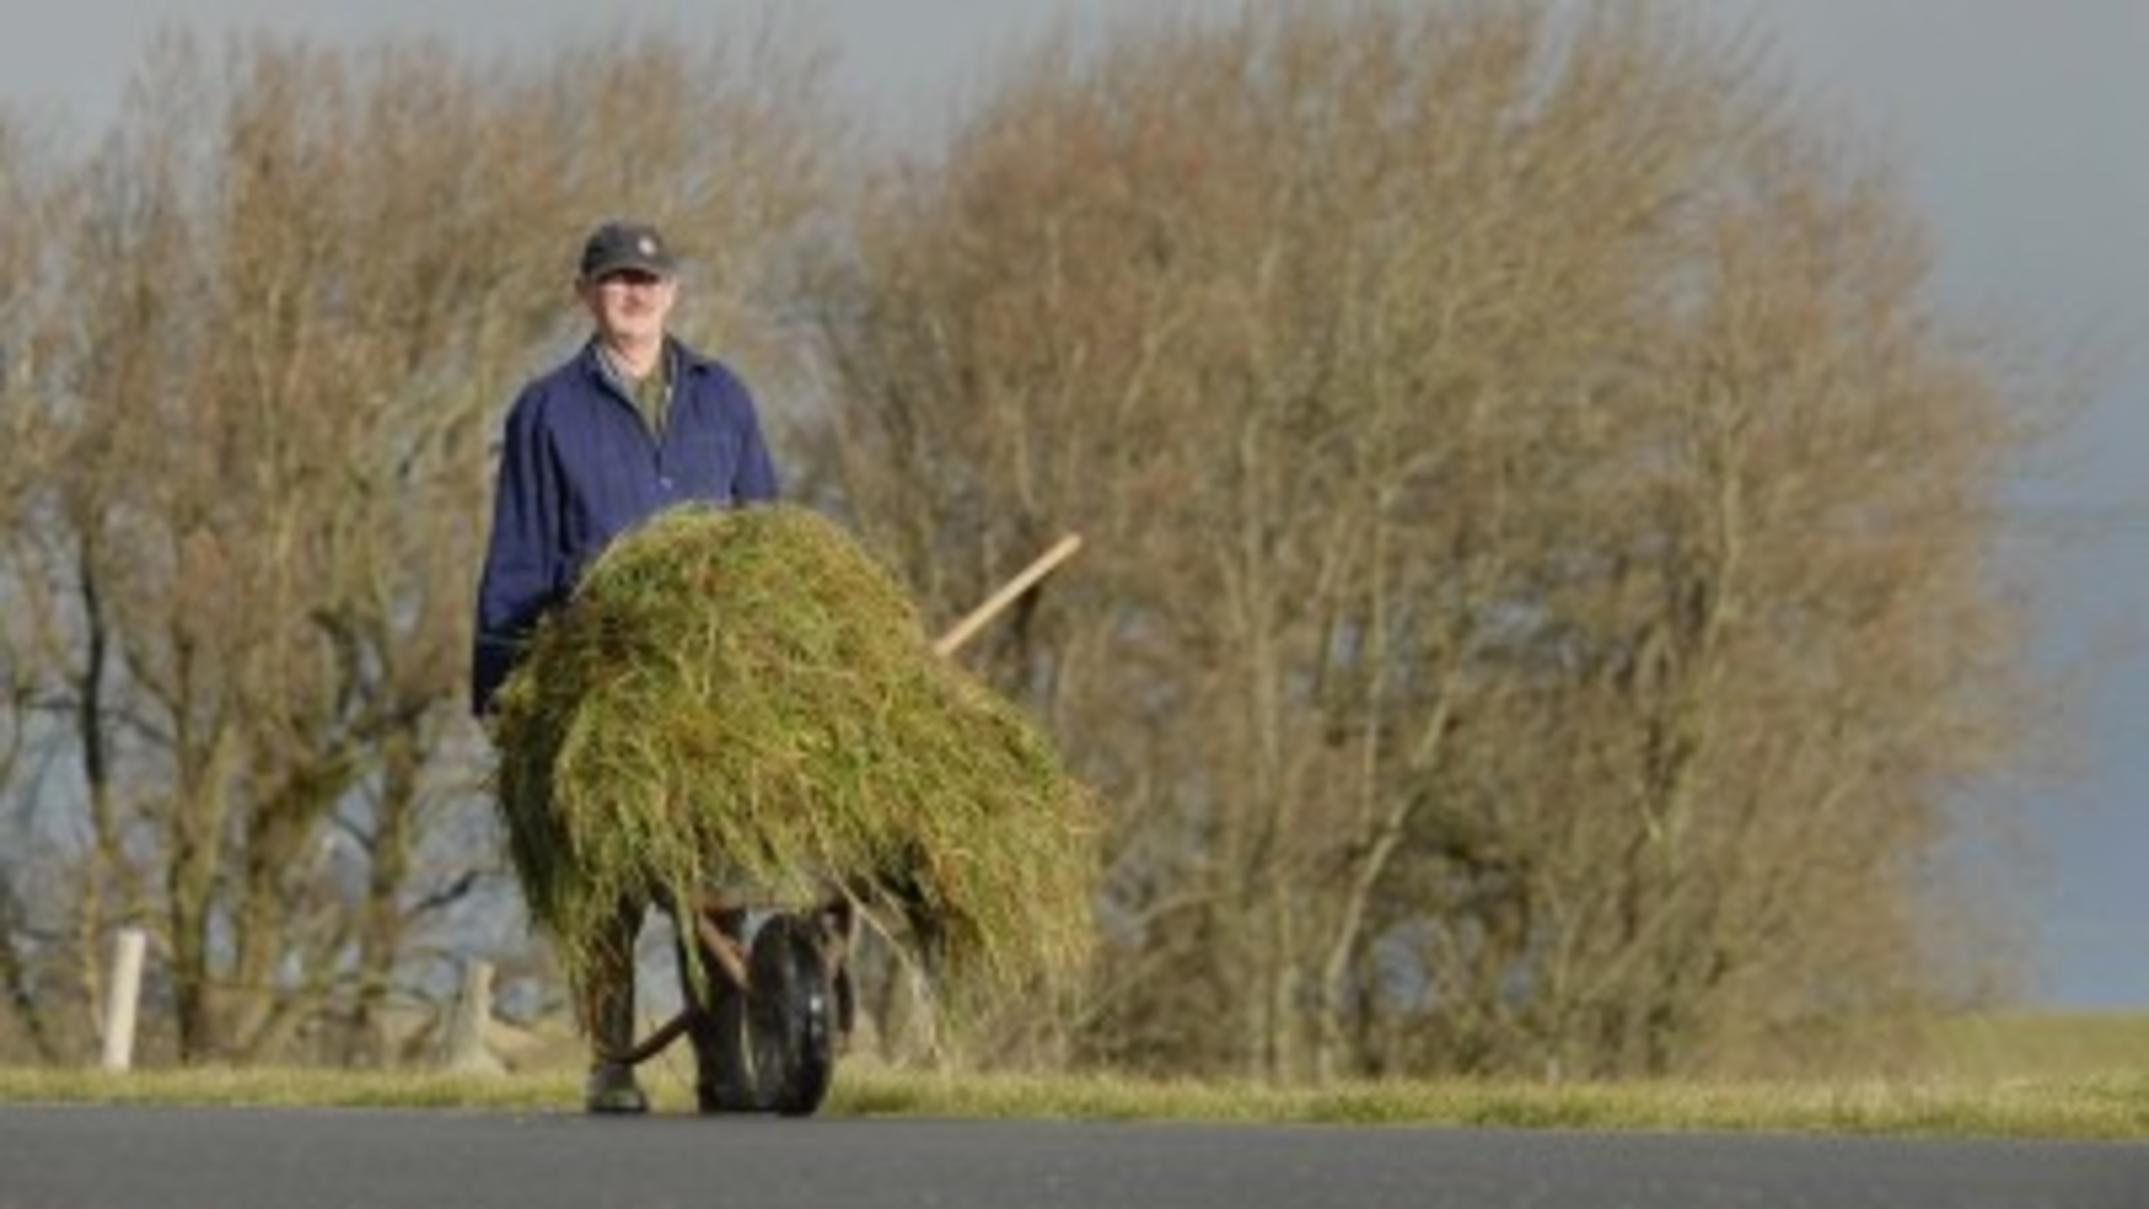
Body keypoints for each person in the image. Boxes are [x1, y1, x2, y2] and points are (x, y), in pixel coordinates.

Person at [473, 219, 780, 1114]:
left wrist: (776, 646)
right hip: (596, 665)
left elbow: (765, 529)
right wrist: (499, 678)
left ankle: (726, 1061)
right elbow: (520, 547)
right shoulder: (547, 410)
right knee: (602, 867)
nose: (633, 294)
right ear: (584, 294)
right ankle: (611, 1059)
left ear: (673, 292)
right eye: (614, 281)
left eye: (648, 280)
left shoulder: (724, 398)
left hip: (708, 671)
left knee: (712, 864)